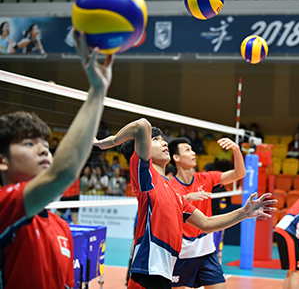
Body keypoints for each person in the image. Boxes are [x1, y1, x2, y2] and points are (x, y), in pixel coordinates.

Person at [93, 119, 276, 289]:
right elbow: (142, 125)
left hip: (164, 273)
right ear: (141, 148)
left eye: (162, 139)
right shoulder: (145, 177)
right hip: (147, 272)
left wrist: (244, 212)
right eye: (155, 139)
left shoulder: (176, 194)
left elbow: (207, 224)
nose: (164, 142)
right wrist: (106, 143)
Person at [0, 32, 114, 288]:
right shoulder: (3, 207)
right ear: (2, 161)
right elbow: (63, 172)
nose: (44, 151)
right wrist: (97, 92)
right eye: (29, 144)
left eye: (46, 145)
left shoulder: (61, 227)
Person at [168, 136, 245, 289]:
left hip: (207, 252)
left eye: (192, 150)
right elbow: (167, 211)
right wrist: (187, 198)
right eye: (187, 150)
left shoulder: (206, 178)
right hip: (183, 254)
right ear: (176, 157)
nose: (193, 153)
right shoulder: (170, 186)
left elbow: (239, 173)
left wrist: (236, 150)